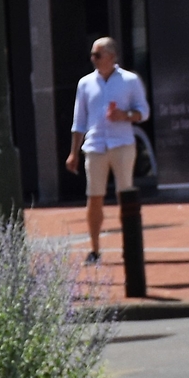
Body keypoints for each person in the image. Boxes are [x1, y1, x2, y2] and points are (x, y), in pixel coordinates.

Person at [65, 36, 148, 265]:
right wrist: (73, 152)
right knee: (94, 198)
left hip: (122, 144)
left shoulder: (129, 80)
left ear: (111, 57)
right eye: (92, 54)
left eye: (97, 55)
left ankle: (129, 248)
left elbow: (144, 111)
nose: (93, 59)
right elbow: (79, 121)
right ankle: (95, 250)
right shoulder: (85, 84)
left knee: (126, 196)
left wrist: (125, 116)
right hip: (95, 146)